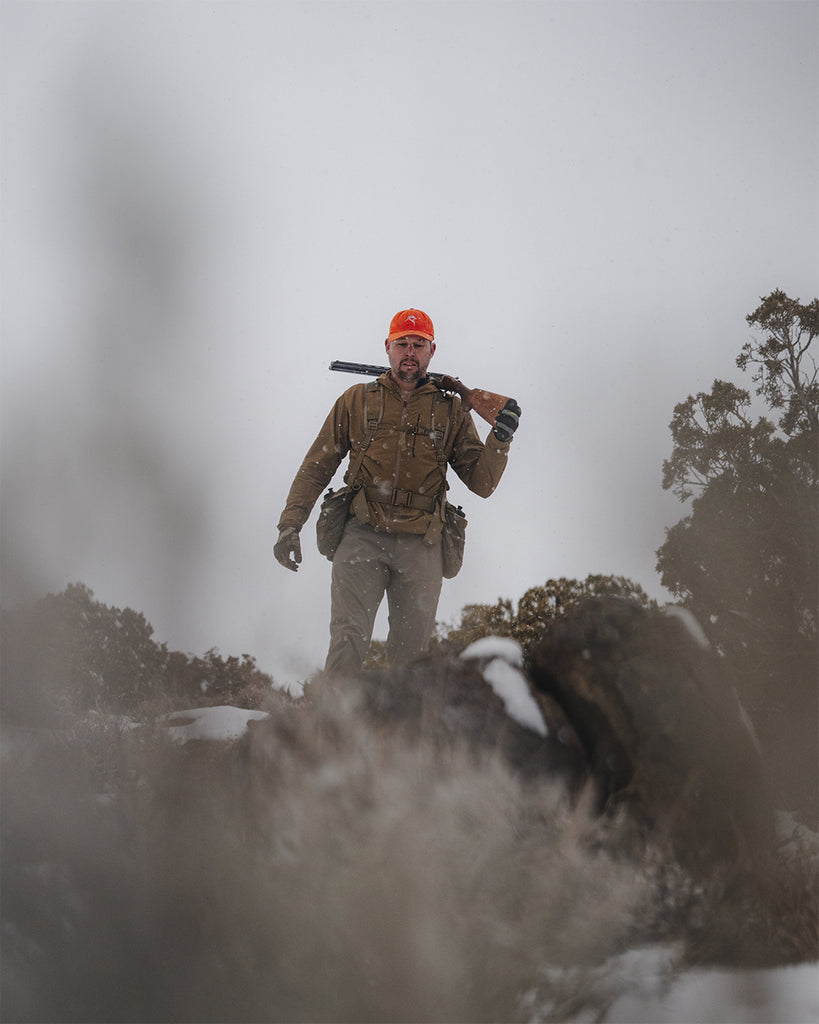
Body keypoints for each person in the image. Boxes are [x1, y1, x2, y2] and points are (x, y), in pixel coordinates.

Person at [274, 308, 520, 676]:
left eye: (418, 344)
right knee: (347, 641)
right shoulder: (356, 400)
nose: (409, 352)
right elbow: (316, 467)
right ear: (387, 348)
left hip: (422, 543)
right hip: (361, 536)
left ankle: (405, 735)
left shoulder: (452, 408)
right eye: (402, 343)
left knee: (413, 661)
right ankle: (334, 731)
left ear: (432, 351)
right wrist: (289, 525)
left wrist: (500, 438)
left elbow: (481, 483)